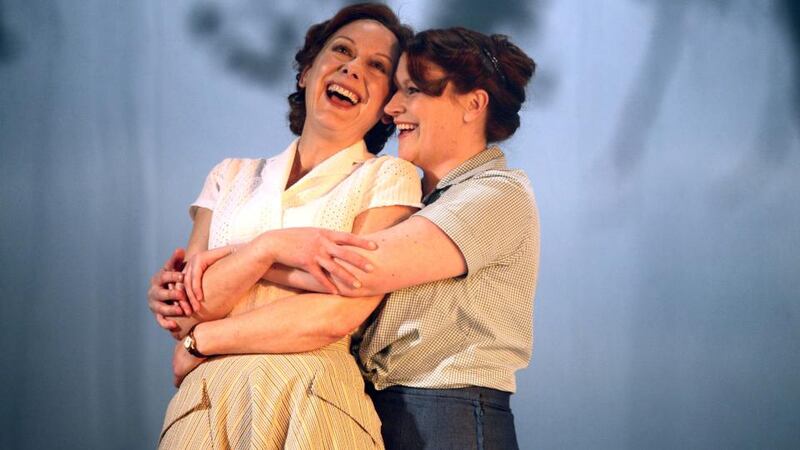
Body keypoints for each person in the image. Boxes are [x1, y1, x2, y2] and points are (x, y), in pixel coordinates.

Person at [152, 27, 538, 449]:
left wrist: (252, 256)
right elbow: (337, 276)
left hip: (450, 411)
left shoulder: (495, 193)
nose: (393, 107)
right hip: (380, 403)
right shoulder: (423, 197)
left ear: (473, 104)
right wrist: (244, 261)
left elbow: (356, 271)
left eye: (410, 90)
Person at [148, 4, 419, 449]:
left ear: (388, 106)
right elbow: (189, 307)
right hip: (206, 407)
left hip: (311, 402)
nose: (353, 69)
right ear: (306, 73)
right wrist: (266, 249)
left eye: (377, 66)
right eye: (342, 51)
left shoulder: (388, 178)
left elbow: (336, 313)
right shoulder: (229, 175)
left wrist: (203, 339)